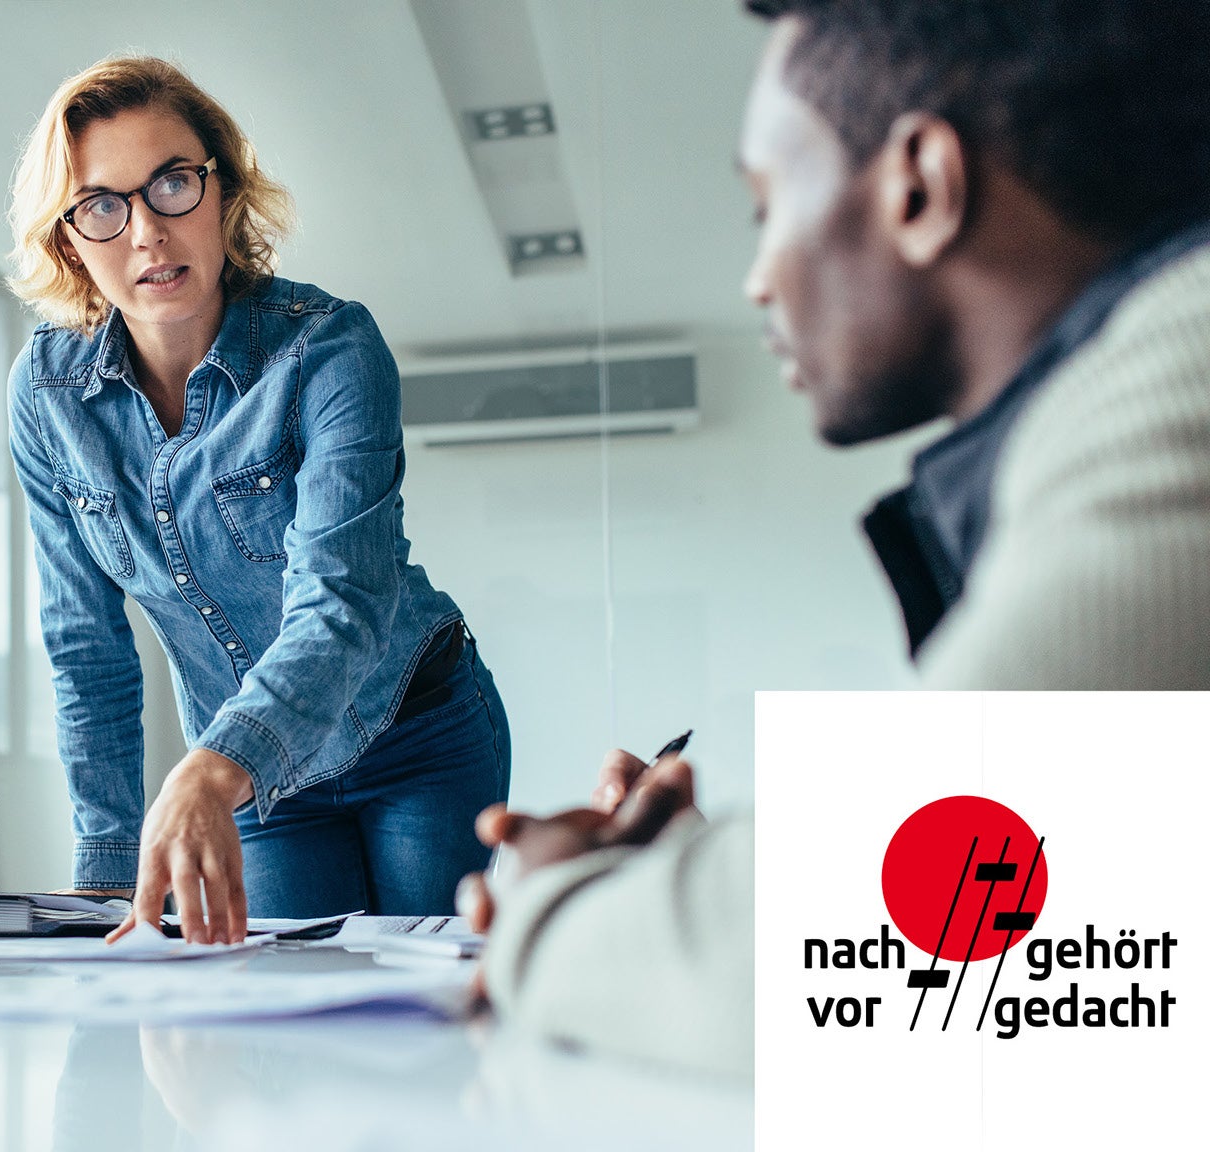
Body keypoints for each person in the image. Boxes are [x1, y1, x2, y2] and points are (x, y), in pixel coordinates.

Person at [468, 0, 1210, 1075]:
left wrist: (548, 902)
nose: (756, 277)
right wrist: (710, 869)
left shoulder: (1181, 383)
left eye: (763, 204)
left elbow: (895, 952)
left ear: (918, 184)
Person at [4, 56, 511, 941]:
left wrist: (211, 766)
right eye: (101, 206)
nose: (147, 234)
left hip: (416, 732)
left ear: (224, 193)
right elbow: (85, 649)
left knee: (421, 1018)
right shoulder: (47, 397)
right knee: (293, 1028)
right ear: (69, 238)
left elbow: (342, 603)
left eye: (171, 183)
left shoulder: (329, 349)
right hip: (257, 783)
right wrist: (106, 865)